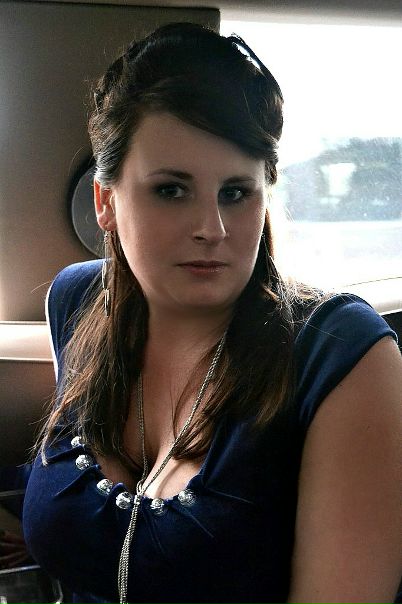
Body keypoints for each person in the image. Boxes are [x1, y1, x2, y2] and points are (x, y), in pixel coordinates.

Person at [22, 22, 401, 604]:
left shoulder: (343, 355)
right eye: (172, 190)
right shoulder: (78, 301)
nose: (212, 229)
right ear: (106, 201)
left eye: (235, 192)